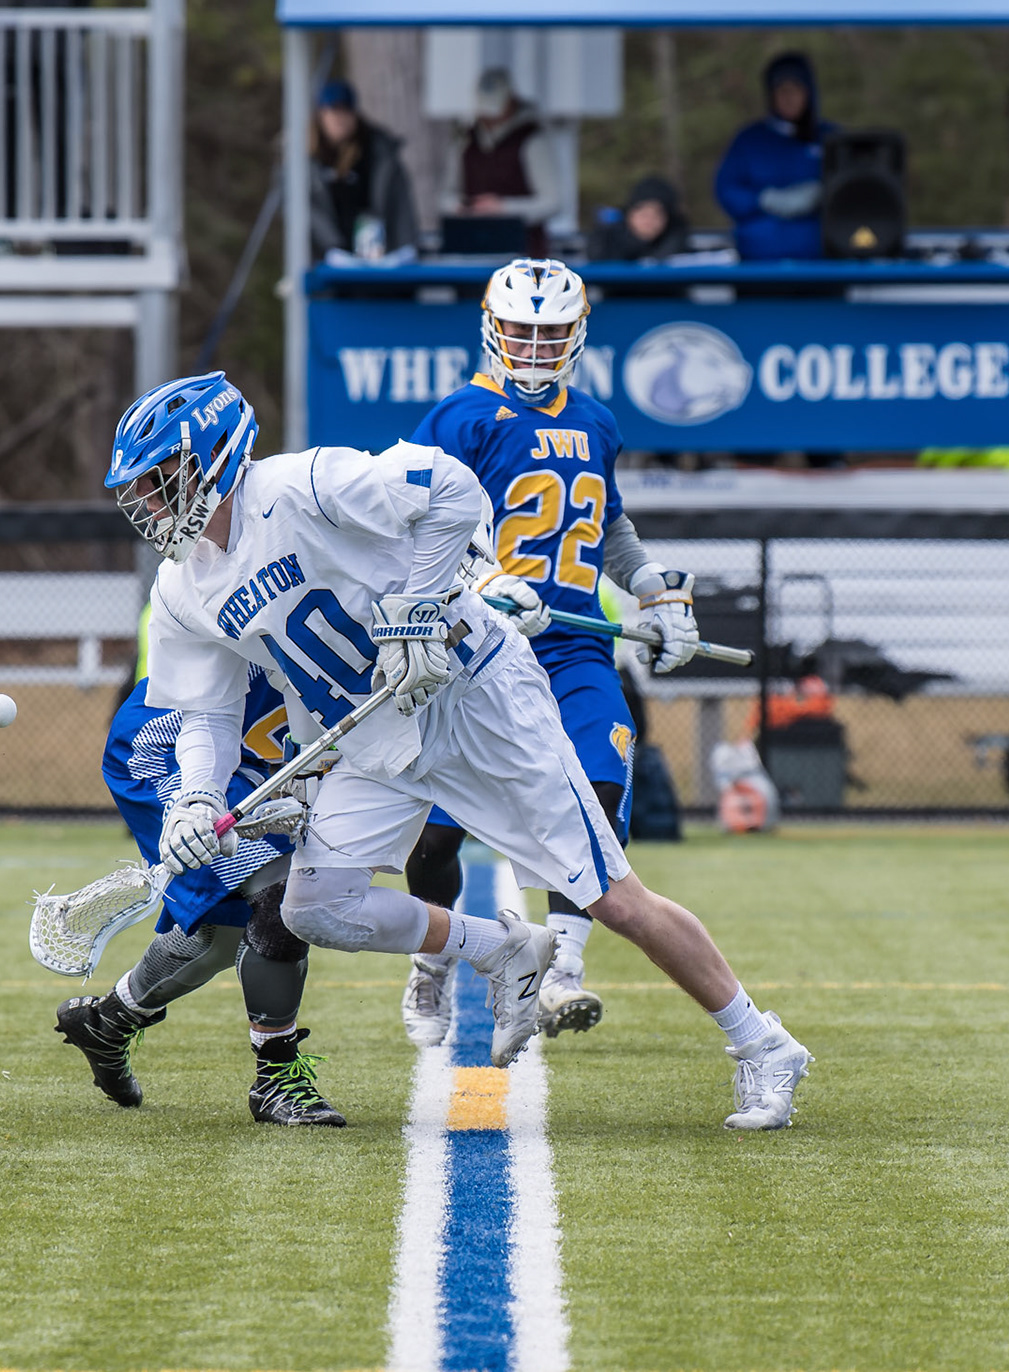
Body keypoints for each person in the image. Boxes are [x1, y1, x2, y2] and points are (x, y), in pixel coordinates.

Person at [102, 370, 812, 1130]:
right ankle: (501, 950)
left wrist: (419, 605)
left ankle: (763, 1045)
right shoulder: (182, 590)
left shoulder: (304, 485)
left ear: (213, 456)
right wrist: (196, 798)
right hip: (375, 732)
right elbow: (206, 717)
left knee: (612, 896)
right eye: (139, 486)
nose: (148, 501)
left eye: (160, 478)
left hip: (476, 696)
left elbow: (452, 487)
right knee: (315, 907)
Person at [399, 258, 702, 1045]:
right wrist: (479, 579)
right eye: (522, 332)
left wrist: (655, 592)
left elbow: (609, 527)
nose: (534, 349)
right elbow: (408, 525)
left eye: (551, 334)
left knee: (599, 792)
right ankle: (431, 963)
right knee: (438, 832)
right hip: (474, 647)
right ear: (493, 329)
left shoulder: (597, 421)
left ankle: (561, 969)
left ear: (576, 334)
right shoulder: (460, 417)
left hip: (573, 647)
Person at [53, 661, 344, 1127]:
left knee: (224, 936)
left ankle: (108, 1022)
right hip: (171, 742)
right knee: (280, 889)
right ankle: (276, 1077)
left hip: (250, 754)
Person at [714, 53, 836, 261]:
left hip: (820, 259)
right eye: (781, 90)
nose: (788, 98)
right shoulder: (750, 140)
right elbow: (726, 188)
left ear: (808, 92)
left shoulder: (830, 138)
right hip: (760, 261)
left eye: (795, 89)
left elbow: (857, 186)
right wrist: (764, 199)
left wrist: (824, 193)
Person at [440, 68, 562, 258]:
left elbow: (553, 202)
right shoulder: (466, 142)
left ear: (511, 102)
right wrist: (464, 208)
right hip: (471, 254)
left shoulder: (531, 140)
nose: (490, 118)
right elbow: (445, 196)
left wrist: (503, 208)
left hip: (523, 257)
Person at [309, 79, 420, 262]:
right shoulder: (307, 163)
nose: (339, 119)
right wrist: (332, 249)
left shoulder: (377, 154)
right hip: (327, 262)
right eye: (333, 111)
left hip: (379, 258)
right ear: (321, 115)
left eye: (345, 111)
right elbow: (309, 216)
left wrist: (404, 249)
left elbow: (401, 208)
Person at [589, 176, 691, 262]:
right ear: (629, 214)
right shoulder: (606, 245)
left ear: (668, 219)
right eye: (642, 213)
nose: (649, 220)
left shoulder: (678, 252)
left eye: (657, 214)